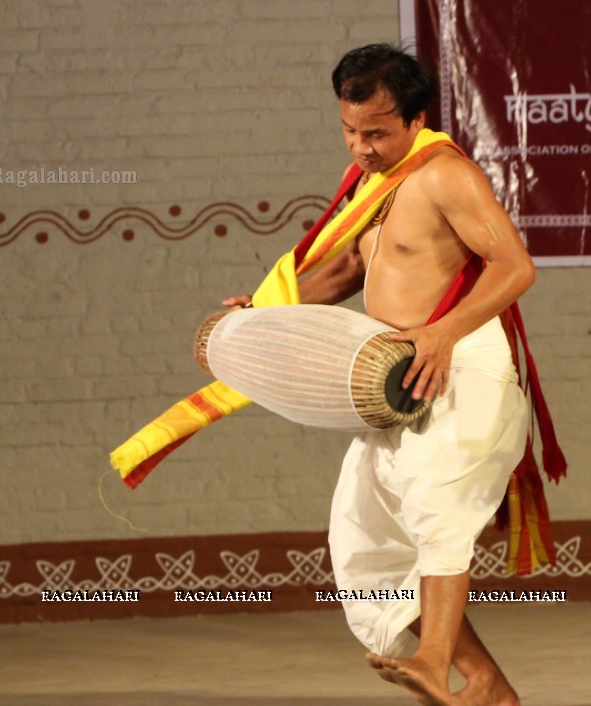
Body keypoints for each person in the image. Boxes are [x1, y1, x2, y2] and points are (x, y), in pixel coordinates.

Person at [226, 44, 534, 706]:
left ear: (416, 119)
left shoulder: (445, 174)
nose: (360, 147)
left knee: (436, 511)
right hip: (398, 380)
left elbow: (515, 267)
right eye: (349, 130)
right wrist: (262, 312)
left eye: (375, 133)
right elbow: (342, 273)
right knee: (364, 537)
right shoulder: (372, 182)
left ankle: (432, 657)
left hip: (462, 366)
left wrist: (442, 332)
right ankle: (485, 682)